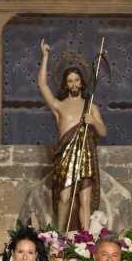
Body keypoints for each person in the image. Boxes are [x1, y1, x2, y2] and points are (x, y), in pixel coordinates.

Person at [38, 39, 107, 232]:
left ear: (82, 82)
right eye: (70, 81)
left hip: (85, 155)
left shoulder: (90, 106)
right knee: (64, 197)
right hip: (66, 155)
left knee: (85, 199)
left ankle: (85, 238)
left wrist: (93, 122)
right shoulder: (59, 106)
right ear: (66, 84)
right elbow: (42, 85)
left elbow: (103, 131)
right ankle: (59, 237)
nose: (74, 83)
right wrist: (45, 57)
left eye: (76, 80)